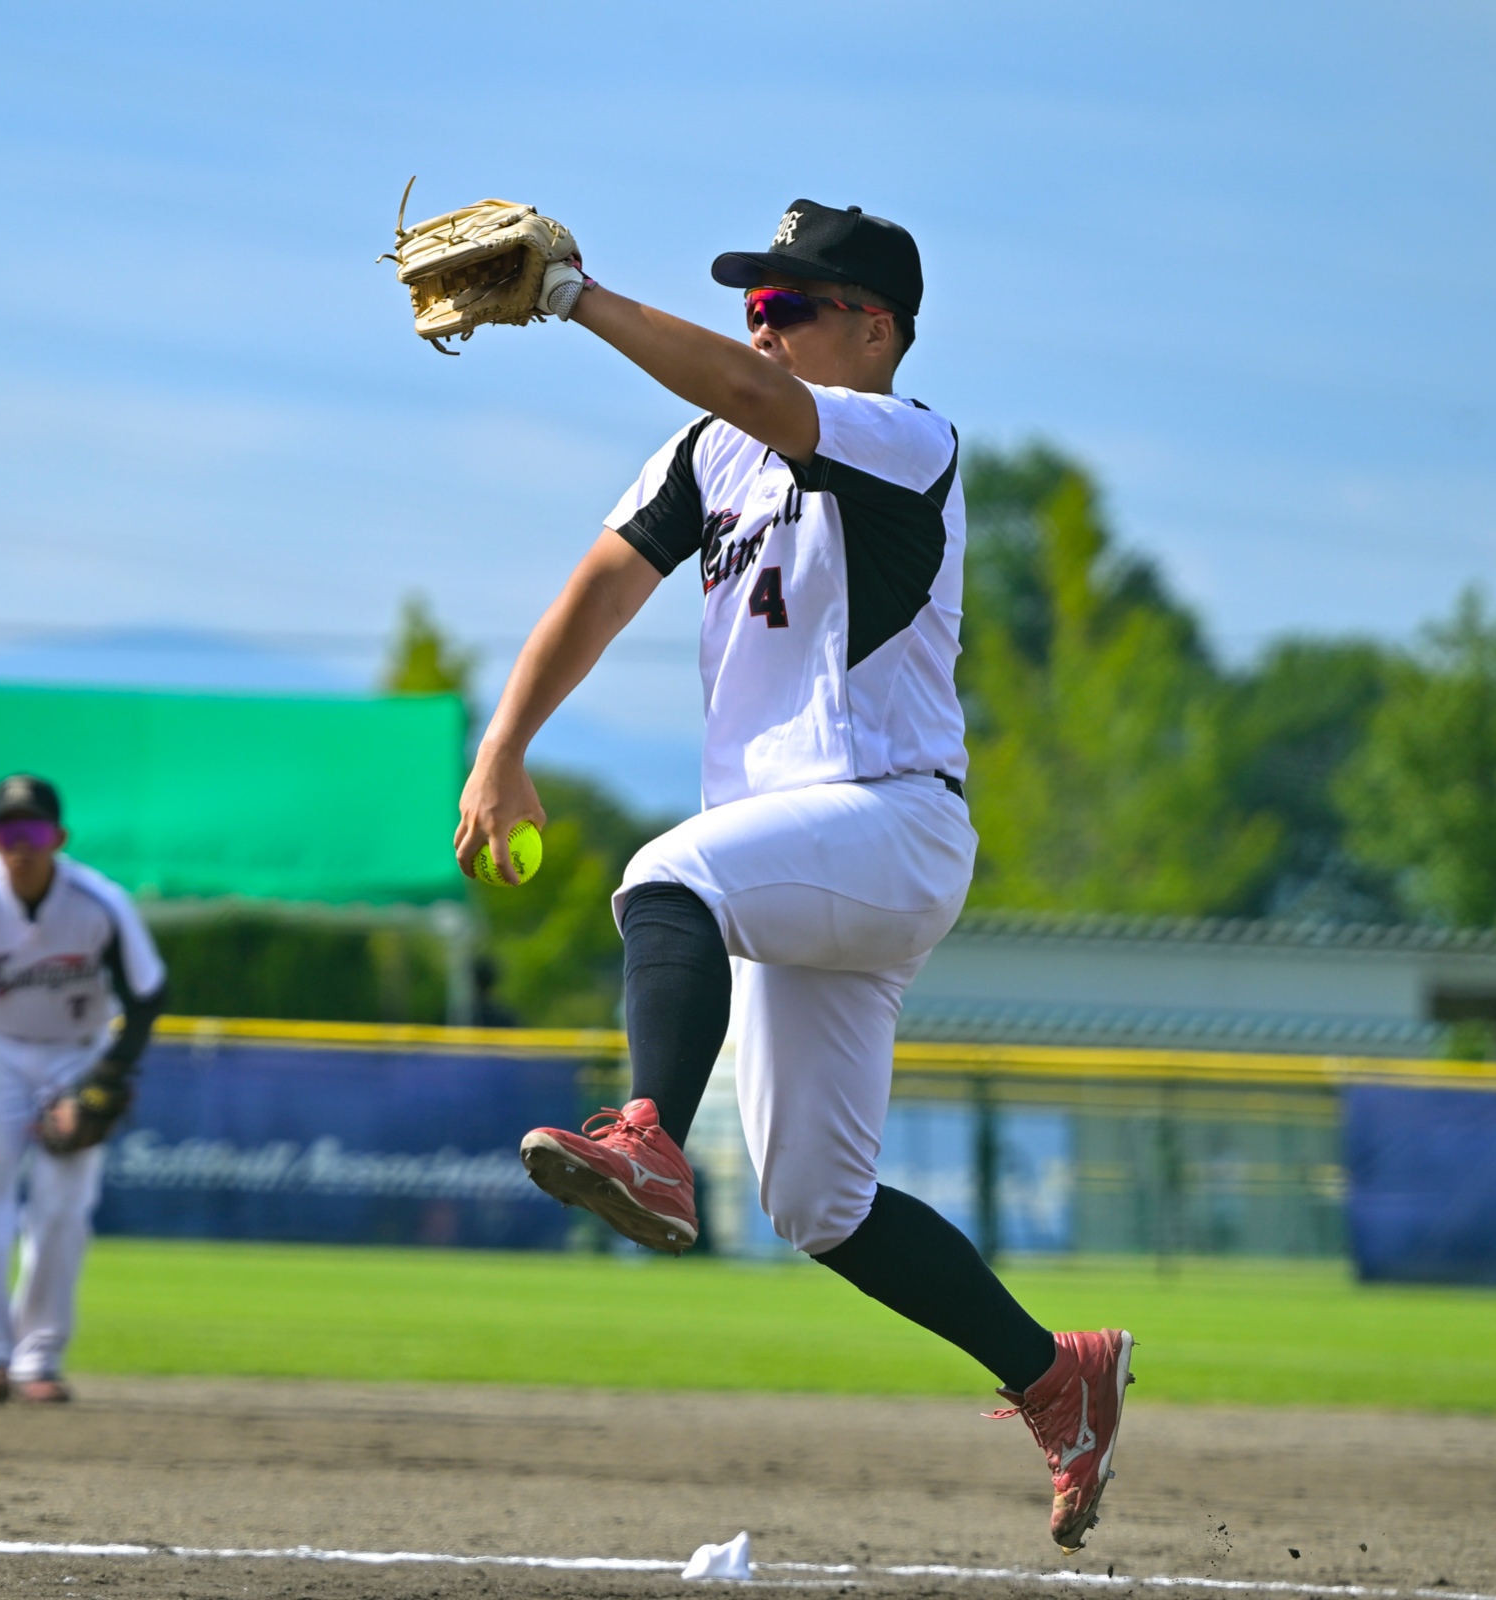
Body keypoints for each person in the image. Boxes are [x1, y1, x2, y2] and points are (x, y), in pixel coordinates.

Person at [455, 200, 1132, 1552]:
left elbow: (759, 396)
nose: (759, 324)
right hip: (797, 861)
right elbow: (602, 585)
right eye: (751, 304)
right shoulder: (709, 452)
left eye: (788, 303)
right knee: (815, 1201)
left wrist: (577, 298)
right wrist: (504, 745)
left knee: (665, 877)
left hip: (886, 820)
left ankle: (646, 1137)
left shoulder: (904, 436)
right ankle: (1058, 1378)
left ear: (874, 328)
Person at [0, 774, 168, 1405]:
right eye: (8, 831)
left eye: (34, 831)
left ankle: (38, 1357)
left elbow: (149, 995)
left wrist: (106, 1077)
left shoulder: (99, 903)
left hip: (77, 1051)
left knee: (64, 1205)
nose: (21, 846)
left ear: (58, 838)